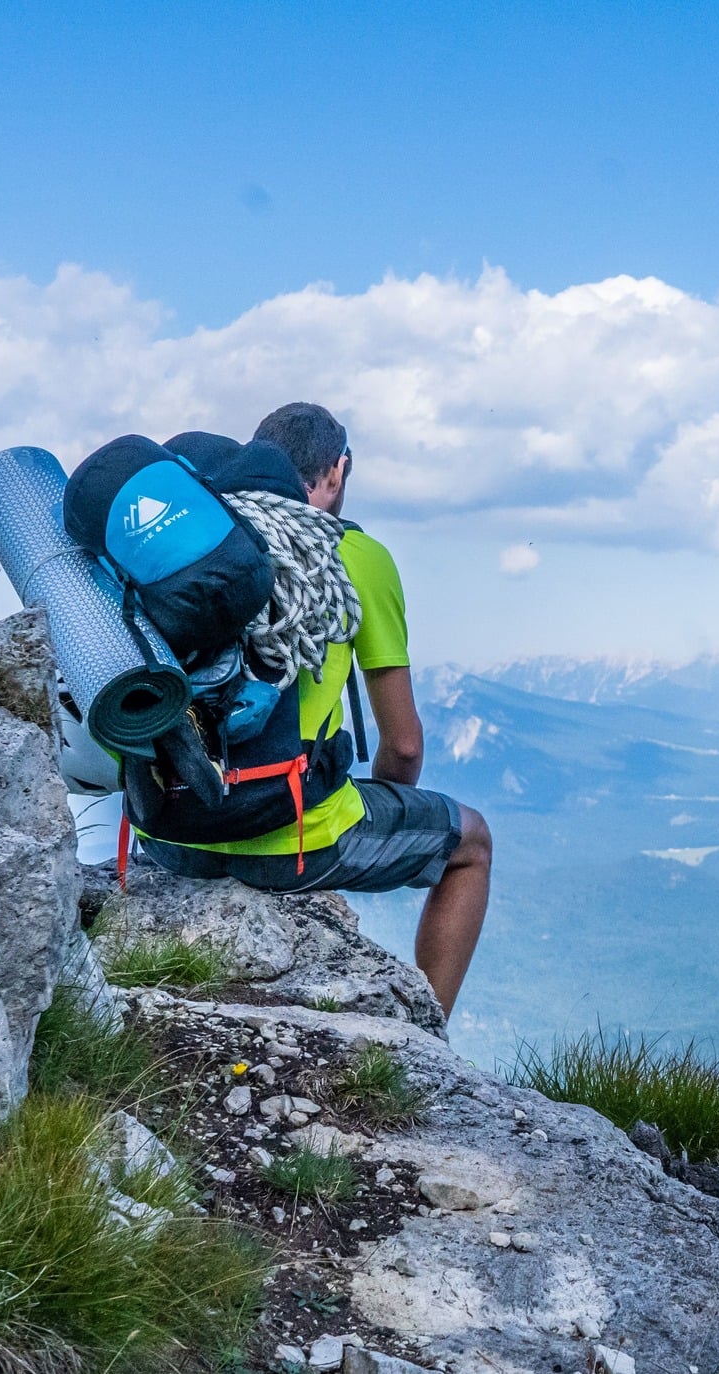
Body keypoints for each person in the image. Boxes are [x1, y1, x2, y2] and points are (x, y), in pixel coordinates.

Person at [136, 402, 493, 1017]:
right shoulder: (357, 556)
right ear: (337, 471)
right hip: (293, 838)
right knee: (474, 844)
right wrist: (373, 812)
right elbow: (404, 746)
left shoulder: (187, 543)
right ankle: (429, 1033)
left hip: (168, 833)